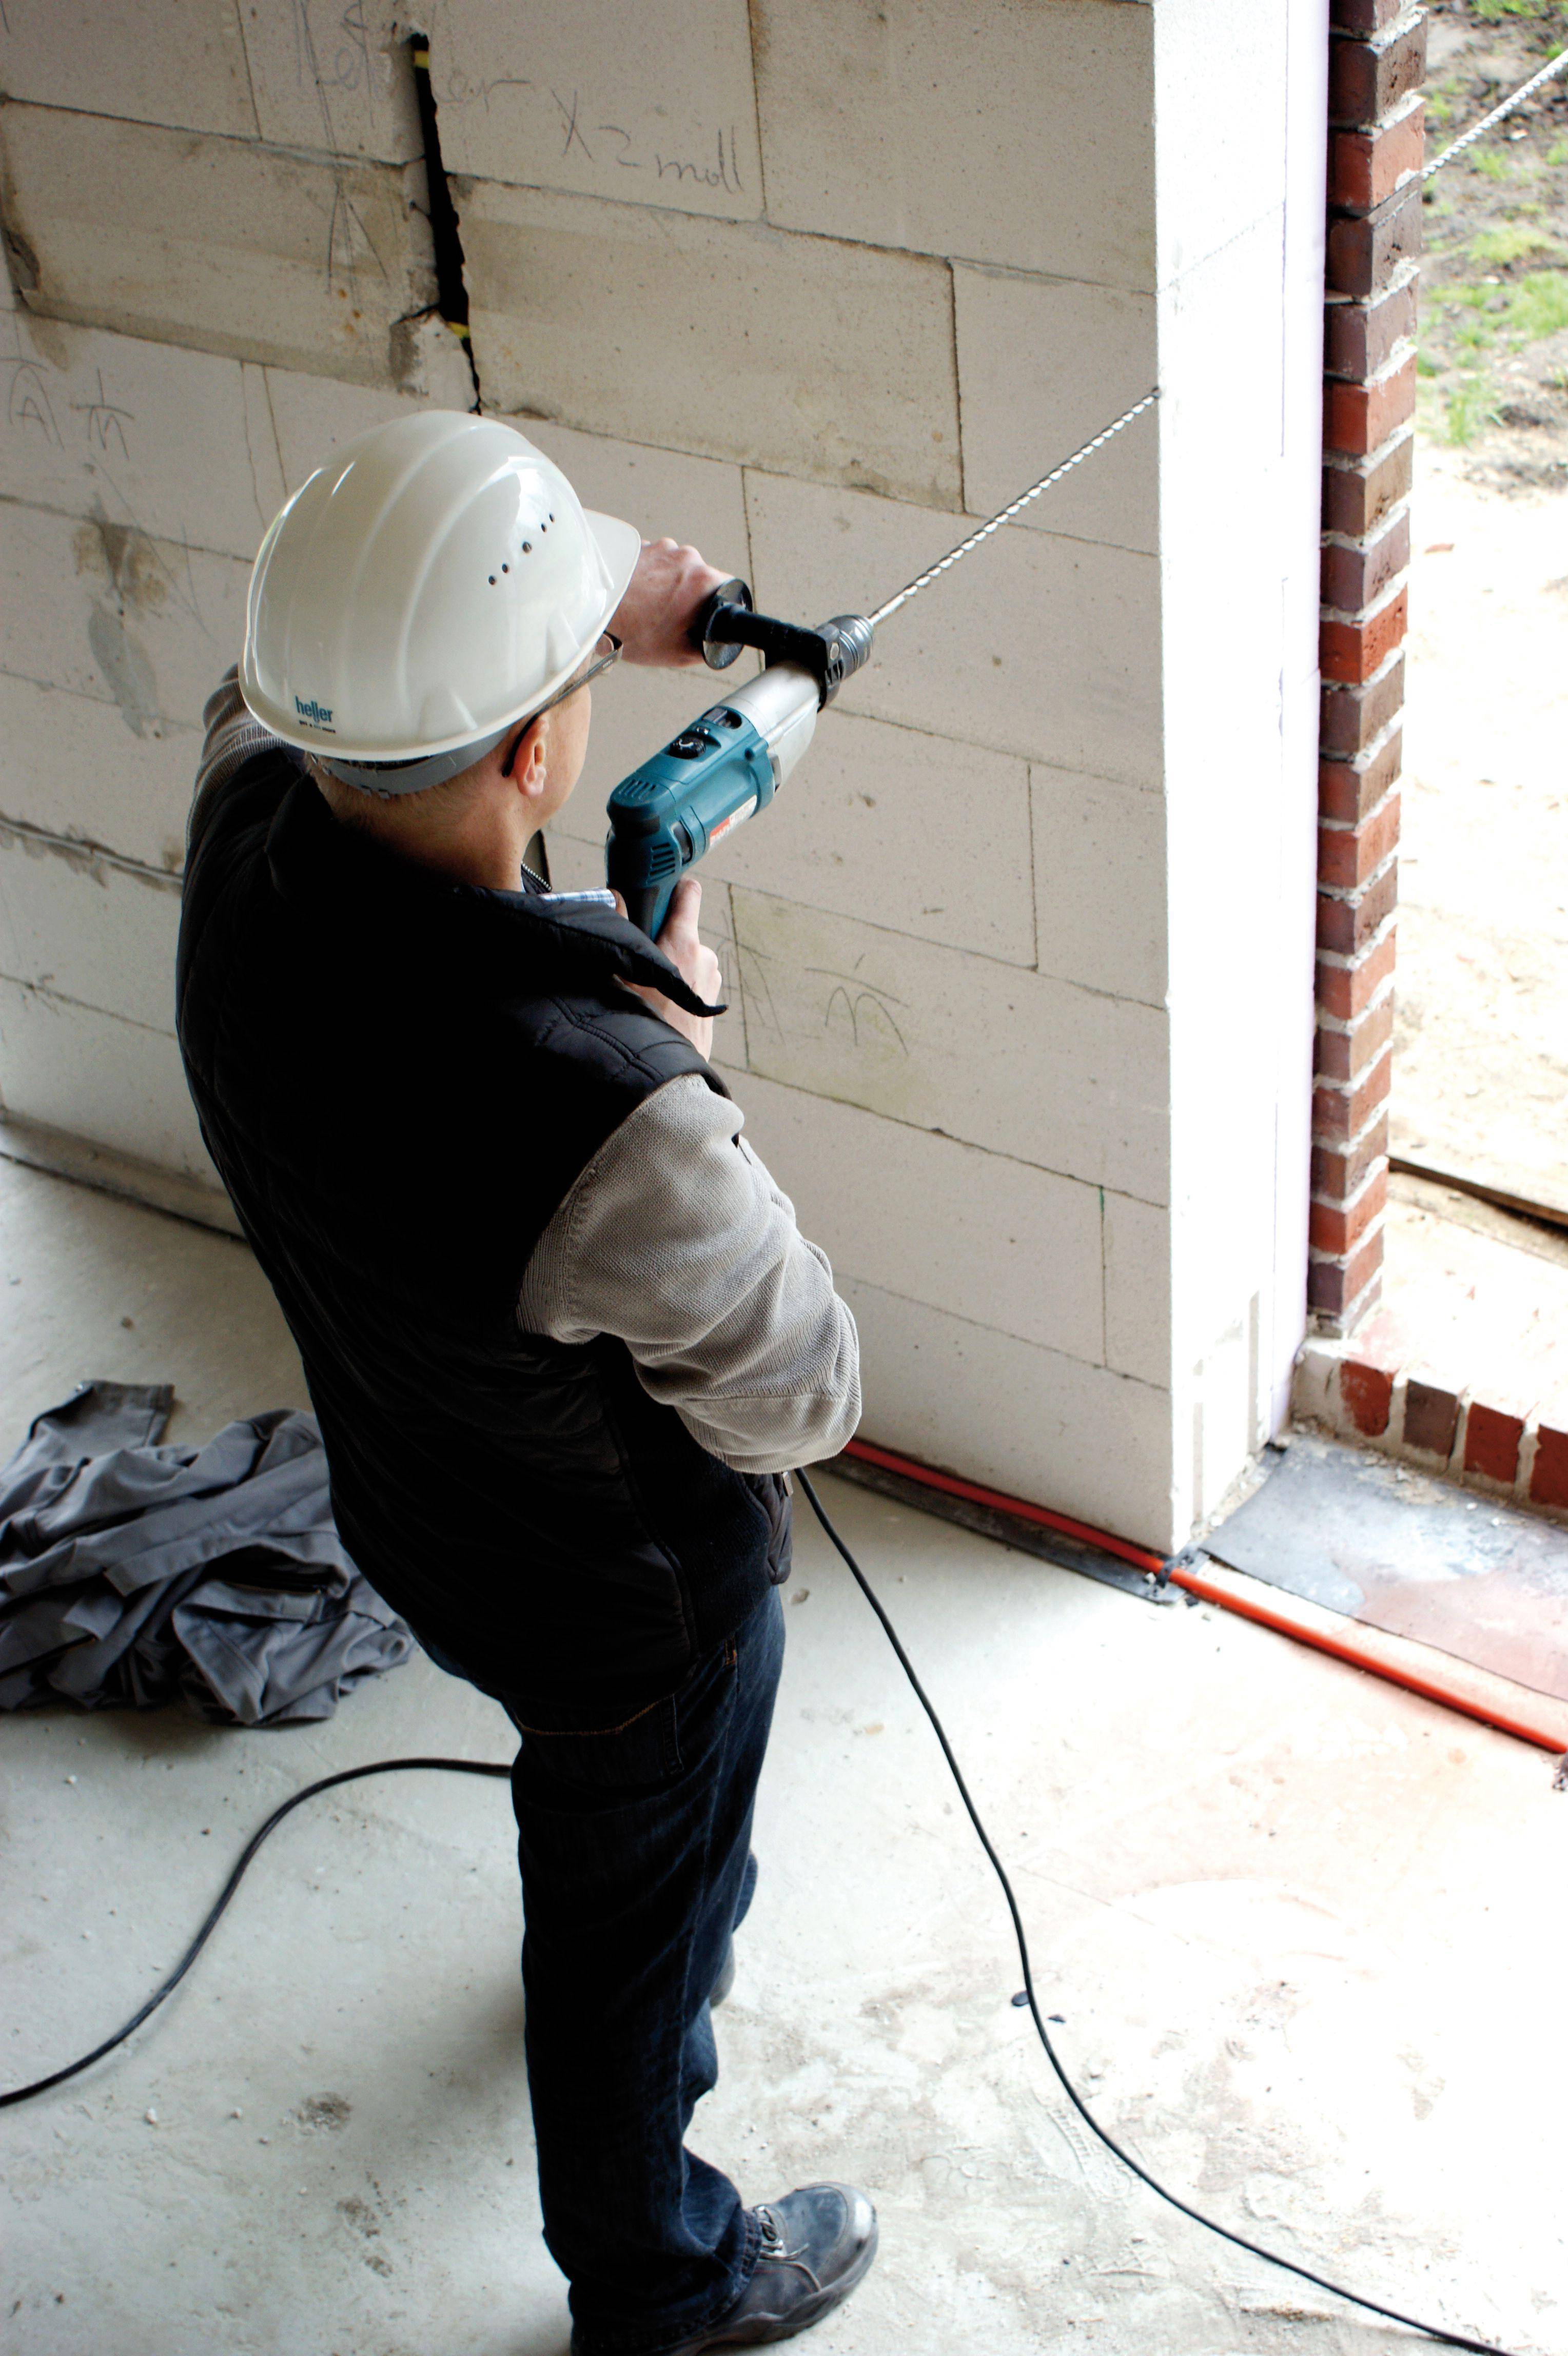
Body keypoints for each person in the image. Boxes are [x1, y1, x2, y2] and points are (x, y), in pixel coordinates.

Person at [175, 410, 875, 2354]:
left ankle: (650, 1940)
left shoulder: (242, 824)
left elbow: (292, 678)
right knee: (627, 1943)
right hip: (624, 1614)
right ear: (540, 752)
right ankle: (662, 2278)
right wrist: (680, 1050)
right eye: (563, 684)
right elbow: (802, 1397)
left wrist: (601, 593)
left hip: (415, 1509)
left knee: (618, 1879)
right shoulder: (602, 1117)